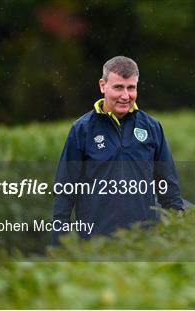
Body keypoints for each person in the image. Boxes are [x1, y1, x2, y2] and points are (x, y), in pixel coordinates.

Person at [51, 56, 183, 245]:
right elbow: (65, 188)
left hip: (145, 242)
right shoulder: (82, 130)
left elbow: (169, 188)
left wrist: (178, 232)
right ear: (102, 86)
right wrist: (59, 243)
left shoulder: (152, 128)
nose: (125, 96)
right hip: (95, 243)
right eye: (118, 87)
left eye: (131, 88)